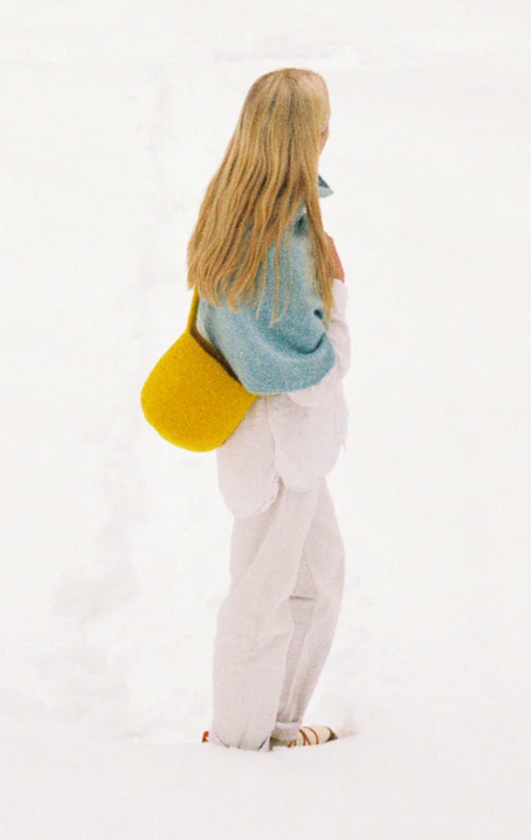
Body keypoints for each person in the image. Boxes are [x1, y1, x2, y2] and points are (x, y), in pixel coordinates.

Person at [186, 68, 351, 752]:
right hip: (284, 442)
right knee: (265, 592)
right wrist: (338, 295)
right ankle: (242, 736)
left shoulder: (235, 206)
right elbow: (301, 368)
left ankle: (273, 719)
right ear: (312, 137)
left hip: (265, 443)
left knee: (315, 576)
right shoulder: (282, 241)